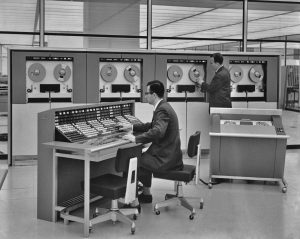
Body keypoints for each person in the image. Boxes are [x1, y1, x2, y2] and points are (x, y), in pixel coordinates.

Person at [122, 80, 183, 204]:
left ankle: (131, 201)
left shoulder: (162, 109)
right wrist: (132, 127)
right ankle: (146, 194)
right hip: (170, 154)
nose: (145, 96)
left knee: (132, 162)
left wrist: (135, 138)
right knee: (143, 157)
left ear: (154, 95)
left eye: (146, 93)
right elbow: (152, 125)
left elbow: (158, 131)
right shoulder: (163, 106)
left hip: (165, 158)